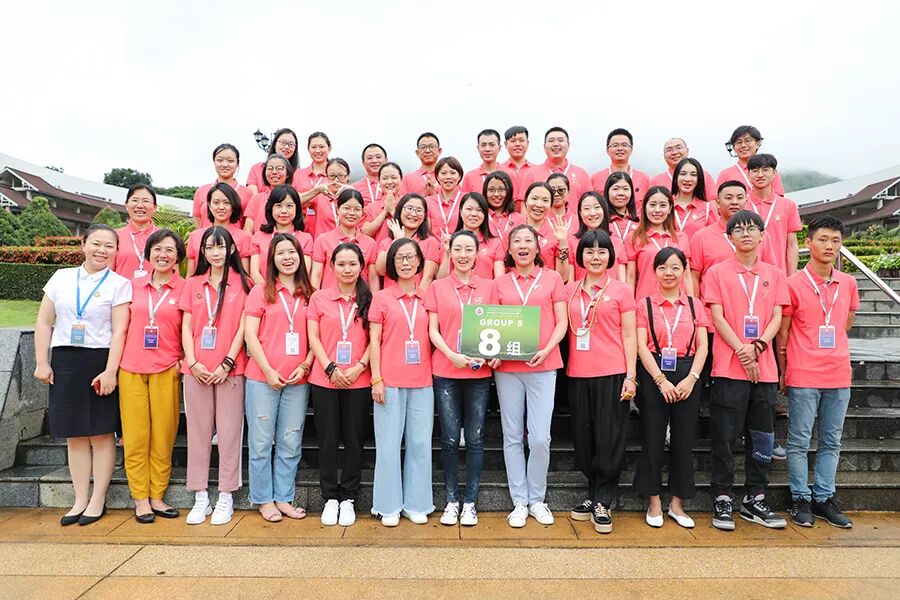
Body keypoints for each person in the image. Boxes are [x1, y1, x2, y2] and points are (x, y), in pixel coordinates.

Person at [34, 224, 132, 526]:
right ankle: (79, 498)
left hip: (99, 360)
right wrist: (42, 362)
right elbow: (44, 322)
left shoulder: (119, 284)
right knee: (74, 434)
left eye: (109, 246)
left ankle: (98, 498)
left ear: (116, 251)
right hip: (65, 360)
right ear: (83, 244)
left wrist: (111, 371)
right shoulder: (61, 278)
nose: (102, 250)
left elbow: (120, 331)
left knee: (101, 433)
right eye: (96, 244)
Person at [705, 210, 790, 531]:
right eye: (738, 230)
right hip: (728, 368)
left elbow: (777, 317)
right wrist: (742, 349)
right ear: (729, 237)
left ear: (762, 235)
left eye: (751, 229)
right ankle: (722, 496)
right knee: (724, 437)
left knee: (762, 437)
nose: (745, 234)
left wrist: (757, 346)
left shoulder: (775, 273)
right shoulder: (717, 272)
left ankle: (756, 497)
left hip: (764, 368)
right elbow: (717, 316)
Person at [778, 216, 859, 529]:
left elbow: (845, 325)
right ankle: (800, 497)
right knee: (799, 440)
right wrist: (784, 370)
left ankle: (824, 497)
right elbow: (783, 333)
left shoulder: (848, 283)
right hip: (804, 373)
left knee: (831, 440)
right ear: (808, 243)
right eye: (823, 239)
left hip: (838, 374)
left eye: (835, 241)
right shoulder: (792, 283)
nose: (829, 246)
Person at [493, 224, 568, 528]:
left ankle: (537, 499)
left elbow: (562, 322)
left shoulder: (552, 278)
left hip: (543, 365)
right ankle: (519, 502)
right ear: (509, 250)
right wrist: (494, 352)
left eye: (528, 241)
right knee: (512, 435)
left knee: (539, 437)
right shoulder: (500, 283)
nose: (523, 246)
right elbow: (493, 325)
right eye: (517, 241)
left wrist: (547, 349)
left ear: (537, 248)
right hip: (508, 369)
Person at [564, 230, 637, 534]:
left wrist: (631, 376)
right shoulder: (569, 290)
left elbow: (630, 334)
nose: (596, 257)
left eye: (602, 251)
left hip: (612, 372)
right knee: (584, 440)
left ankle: (604, 499)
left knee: (609, 438)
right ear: (580, 256)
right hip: (577, 373)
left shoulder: (621, 290)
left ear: (611, 256)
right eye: (589, 251)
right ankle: (593, 492)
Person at [180, 226, 252, 526]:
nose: (215, 252)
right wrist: (193, 362)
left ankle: (225, 495)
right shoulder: (193, 283)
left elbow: (244, 328)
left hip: (230, 370)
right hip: (196, 370)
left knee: (230, 433)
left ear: (231, 249)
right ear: (203, 252)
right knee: (197, 433)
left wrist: (227, 362)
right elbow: (186, 326)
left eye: (221, 247)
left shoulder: (244, 284)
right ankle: (200, 495)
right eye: (210, 247)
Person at [634, 247, 708, 530]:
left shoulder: (694, 305)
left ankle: (677, 504)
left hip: (688, 372)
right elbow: (641, 346)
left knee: (684, 439)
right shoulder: (644, 305)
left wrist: (692, 377)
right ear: (654, 272)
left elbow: (703, 346)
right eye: (663, 267)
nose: (669, 273)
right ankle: (653, 501)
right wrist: (660, 380)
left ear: (684, 271)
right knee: (652, 437)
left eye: (676, 267)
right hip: (655, 373)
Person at [426, 230, 495, 527]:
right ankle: (452, 500)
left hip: (479, 372)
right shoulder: (438, 286)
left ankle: (470, 502)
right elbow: (433, 330)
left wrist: (495, 355)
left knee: (476, 438)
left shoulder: (490, 286)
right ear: (450, 253)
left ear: (477, 253)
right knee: (451, 437)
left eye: (469, 249)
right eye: (458, 249)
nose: (463, 255)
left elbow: (498, 327)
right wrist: (451, 355)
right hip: (446, 370)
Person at [244, 234, 315, 523]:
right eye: (281, 253)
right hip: (263, 379)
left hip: (298, 380)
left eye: (292, 252)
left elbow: (317, 337)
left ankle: (284, 497)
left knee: (290, 440)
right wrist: (268, 371)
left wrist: (306, 365)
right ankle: (263, 499)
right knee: (261, 442)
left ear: (301, 257)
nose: (287, 258)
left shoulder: (310, 293)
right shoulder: (260, 291)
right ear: (271, 259)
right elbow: (250, 334)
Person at [118, 228, 185, 523]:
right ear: (148, 254)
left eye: (169, 250)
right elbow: (119, 326)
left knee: (163, 435)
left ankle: (157, 494)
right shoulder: (131, 286)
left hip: (166, 368)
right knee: (135, 436)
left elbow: (191, 328)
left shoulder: (185, 288)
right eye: (157, 249)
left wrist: (183, 358)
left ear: (178, 257)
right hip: (131, 368)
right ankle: (140, 498)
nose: (162, 255)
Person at [369, 238, 436, 526]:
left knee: (420, 443)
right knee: (388, 445)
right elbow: (374, 340)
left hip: (422, 380)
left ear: (420, 262)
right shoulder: (382, 298)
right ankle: (388, 505)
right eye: (400, 258)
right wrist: (376, 378)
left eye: (411, 257)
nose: (406, 263)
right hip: (390, 380)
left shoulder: (429, 297)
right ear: (392, 264)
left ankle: (417, 503)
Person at [307, 243, 373, 527]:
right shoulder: (319, 298)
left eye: (353, 264)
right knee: (328, 439)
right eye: (341, 264)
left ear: (361, 267)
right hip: (325, 379)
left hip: (359, 380)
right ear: (332, 266)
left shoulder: (370, 299)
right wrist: (330, 368)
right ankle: (330, 497)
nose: (347, 269)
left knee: (354, 440)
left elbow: (376, 339)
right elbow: (313, 337)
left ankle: (348, 497)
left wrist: (359, 367)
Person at [626, 187, 693, 300]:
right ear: (644, 207)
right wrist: (630, 305)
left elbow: (686, 275)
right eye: (652, 205)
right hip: (646, 302)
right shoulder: (634, 237)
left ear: (670, 208)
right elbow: (631, 277)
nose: (657, 210)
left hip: (677, 304)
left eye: (663, 205)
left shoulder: (681, 237)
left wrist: (692, 304)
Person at [311, 189, 379, 291]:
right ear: (337, 209)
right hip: (329, 299)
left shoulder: (370, 243)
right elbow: (316, 275)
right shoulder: (323, 240)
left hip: (359, 299)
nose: (352, 213)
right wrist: (315, 298)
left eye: (357, 209)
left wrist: (375, 300)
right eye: (347, 208)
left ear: (362, 212)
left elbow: (373, 278)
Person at [746, 154, 801, 275]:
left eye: (765, 170)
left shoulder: (788, 205)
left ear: (774, 173)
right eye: (755, 171)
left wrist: (791, 276)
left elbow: (792, 244)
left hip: (779, 274)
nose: (760, 175)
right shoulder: (741, 205)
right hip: (748, 275)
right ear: (748, 174)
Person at [249, 184, 313, 285]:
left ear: (297, 209)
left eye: (289, 206)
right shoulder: (258, 237)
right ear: (271, 208)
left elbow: (304, 273)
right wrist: (268, 292)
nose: (284, 211)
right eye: (278, 206)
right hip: (265, 292)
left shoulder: (306, 239)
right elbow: (254, 273)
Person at [374, 193, 441, 289]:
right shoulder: (386, 242)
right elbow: (380, 270)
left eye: (419, 210)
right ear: (400, 210)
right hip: (390, 296)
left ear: (424, 216)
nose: (413, 214)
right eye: (409, 208)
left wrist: (418, 297)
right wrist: (397, 241)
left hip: (416, 295)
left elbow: (427, 277)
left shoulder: (430, 242)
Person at [186, 183, 251, 276]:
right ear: (209, 205)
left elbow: (245, 276)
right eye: (216, 203)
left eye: (226, 203)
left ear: (233, 205)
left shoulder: (244, 237)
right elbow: (190, 275)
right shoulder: (195, 236)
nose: (221, 207)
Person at [438, 193, 504, 280]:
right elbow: (441, 280)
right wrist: (447, 253)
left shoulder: (495, 243)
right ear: (460, 211)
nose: (474, 214)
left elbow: (499, 280)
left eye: (479, 210)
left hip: (486, 288)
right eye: (469, 209)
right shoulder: (449, 241)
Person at [567, 192, 627, 283]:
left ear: (604, 210)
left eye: (597, 207)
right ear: (580, 213)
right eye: (587, 208)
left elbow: (622, 281)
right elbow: (570, 281)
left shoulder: (617, 242)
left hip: (611, 291)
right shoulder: (572, 242)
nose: (592, 213)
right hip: (582, 291)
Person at [521, 127, 591, 201]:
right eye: (551, 141)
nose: (556, 144)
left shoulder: (582, 174)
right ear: (544, 146)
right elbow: (523, 203)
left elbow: (590, 202)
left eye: (560, 140)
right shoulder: (532, 174)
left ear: (568, 145)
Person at [193, 143, 254, 228]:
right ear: (214, 162)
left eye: (230, 161)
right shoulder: (201, 191)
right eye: (220, 160)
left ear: (237, 163)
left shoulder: (248, 194)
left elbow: (248, 226)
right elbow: (198, 222)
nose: (225, 165)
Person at [519, 182, 571, 280]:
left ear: (551, 205)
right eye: (534, 198)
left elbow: (563, 278)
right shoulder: (513, 232)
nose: (539, 204)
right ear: (525, 201)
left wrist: (563, 242)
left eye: (545, 200)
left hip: (548, 287)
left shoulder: (556, 232)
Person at [716, 125, 785, 196]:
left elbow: (779, 196)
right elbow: (718, 199)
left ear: (758, 143)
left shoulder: (769, 170)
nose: (743, 145)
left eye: (747, 141)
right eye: (739, 142)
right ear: (734, 147)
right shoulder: (725, 175)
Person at [591, 128, 651, 207]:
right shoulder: (595, 179)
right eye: (615, 145)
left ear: (631, 149)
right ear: (607, 150)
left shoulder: (644, 179)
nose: (620, 148)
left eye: (624, 145)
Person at [292, 132, 333, 238]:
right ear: (308, 149)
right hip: (301, 232)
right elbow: (292, 201)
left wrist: (304, 199)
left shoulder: (334, 174)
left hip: (328, 231)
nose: (317, 151)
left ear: (329, 148)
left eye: (321, 147)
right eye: (313, 147)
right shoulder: (298, 174)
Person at [650, 138, 717, 199]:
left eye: (678, 147)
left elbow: (713, 201)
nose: (674, 152)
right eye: (669, 150)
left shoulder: (704, 176)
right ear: (664, 156)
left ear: (687, 151)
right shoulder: (655, 181)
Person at [244, 153, 296, 233]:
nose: (274, 172)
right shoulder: (256, 199)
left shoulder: (293, 197)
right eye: (270, 168)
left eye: (279, 168)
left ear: (287, 174)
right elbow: (248, 230)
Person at [115, 184, 158, 279]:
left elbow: (173, 274)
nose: (140, 205)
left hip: (156, 289)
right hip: (121, 288)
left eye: (146, 201)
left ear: (155, 207)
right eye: (135, 200)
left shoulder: (164, 237)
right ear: (126, 205)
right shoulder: (115, 236)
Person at [670, 158, 717, 238]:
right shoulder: (665, 205)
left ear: (699, 179)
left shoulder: (708, 208)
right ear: (675, 178)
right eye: (683, 174)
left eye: (693, 175)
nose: (687, 179)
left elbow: (715, 237)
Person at [246, 128, 303, 194]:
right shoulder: (256, 169)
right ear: (275, 144)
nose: (287, 147)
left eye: (291, 144)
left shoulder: (299, 174)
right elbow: (253, 196)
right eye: (283, 142)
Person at [361, 162, 405, 243]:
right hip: (378, 250)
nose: (389, 182)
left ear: (401, 180)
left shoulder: (407, 204)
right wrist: (385, 211)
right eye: (385, 178)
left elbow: (409, 229)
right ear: (379, 182)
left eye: (394, 178)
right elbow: (365, 233)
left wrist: (392, 211)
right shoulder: (371, 207)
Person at [312, 158, 355, 236]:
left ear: (347, 176)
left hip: (348, 242)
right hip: (324, 242)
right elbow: (295, 201)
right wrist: (316, 190)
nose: (336, 180)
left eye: (340, 176)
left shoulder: (355, 197)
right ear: (326, 176)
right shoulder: (320, 196)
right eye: (332, 176)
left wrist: (352, 191)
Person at [425, 156, 465, 235]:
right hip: (434, 243)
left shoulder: (467, 200)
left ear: (459, 176)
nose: (448, 177)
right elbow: (426, 232)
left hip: (461, 242)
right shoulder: (428, 202)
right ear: (437, 177)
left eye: (453, 173)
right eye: (443, 173)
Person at [483, 171, 524, 238]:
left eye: (501, 189)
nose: (496, 194)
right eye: (491, 190)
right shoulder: (481, 217)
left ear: (509, 191)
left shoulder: (520, 219)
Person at [499, 126, 532, 206]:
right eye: (513, 141)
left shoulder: (536, 170)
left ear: (527, 143)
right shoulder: (498, 170)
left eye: (521, 140)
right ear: (506, 144)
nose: (517, 144)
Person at [605, 171, 640, 247]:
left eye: (625, 189)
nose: (621, 193)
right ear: (607, 192)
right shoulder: (601, 222)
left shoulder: (640, 223)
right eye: (615, 189)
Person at [461, 129, 502, 193]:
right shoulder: (470, 177)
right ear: (478, 148)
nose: (487, 149)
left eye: (492, 145)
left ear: (499, 148)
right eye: (483, 145)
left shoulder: (509, 173)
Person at [403, 132, 442, 197]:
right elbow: (402, 202)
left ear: (439, 151)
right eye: (423, 147)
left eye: (431, 146)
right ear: (417, 153)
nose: (427, 151)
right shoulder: (407, 179)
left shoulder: (449, 176)